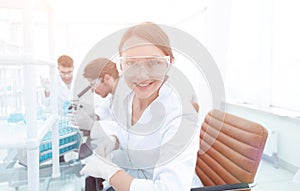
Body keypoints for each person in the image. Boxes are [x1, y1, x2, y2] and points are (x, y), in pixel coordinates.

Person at [80, 22, 202, 191]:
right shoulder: (129, 97)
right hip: (134, 177)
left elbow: (169, 188)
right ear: (121, 65)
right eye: (131, 63)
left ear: (169, 63)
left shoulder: (181, 116)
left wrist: (111, 173)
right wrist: (113, 141)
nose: (141, 74)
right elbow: (129, 135)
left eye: (152, 63)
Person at [77, 58, 120, 191]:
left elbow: (124, 130)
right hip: (119, 157)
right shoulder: (113, 94)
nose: (93, 90)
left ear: (106, 78)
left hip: (137, 172)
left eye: (93, 84)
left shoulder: (128, 96)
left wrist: (92, 125)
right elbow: (104, 108)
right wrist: (94, 117)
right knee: (90, 179)